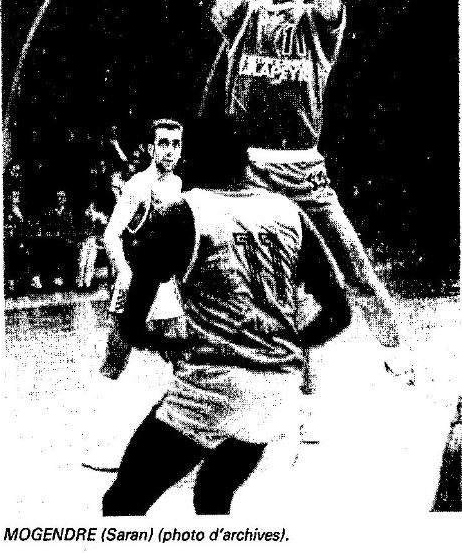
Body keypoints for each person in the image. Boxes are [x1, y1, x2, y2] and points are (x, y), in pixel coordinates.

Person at [202, 0, 410, 375]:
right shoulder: (243, 18)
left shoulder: (320, 24)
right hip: (247, 176)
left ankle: (401, 358)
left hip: (307, 172)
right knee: (244, 282)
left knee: (355, 272)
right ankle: (284, 370)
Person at [102, 119, 352, 516]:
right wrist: (285, 344)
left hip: (213, 387)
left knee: (122, 502)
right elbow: (340, 312)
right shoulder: (288, 212)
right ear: (247, 161)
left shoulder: (184, 212)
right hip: (277, 395)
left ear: (193, 159)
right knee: (214, 496)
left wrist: (169, 342)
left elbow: (131, 324)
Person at [101, 118, 184, 377]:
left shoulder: (178, 184)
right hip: (136, 282)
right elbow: (111, 234)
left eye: (176, 144)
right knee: (114, 364)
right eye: (164, 143)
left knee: (182, 362)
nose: (170, 150)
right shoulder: (137, 185)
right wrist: (124, 273)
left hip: (166, 284)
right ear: (151, 149)